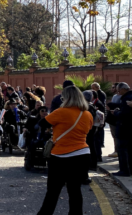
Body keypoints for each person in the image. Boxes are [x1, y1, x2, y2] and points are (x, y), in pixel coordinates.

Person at [36, 86, 93, 215]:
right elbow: (87, 131)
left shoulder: (61, 112)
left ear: (66, 98)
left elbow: (42, 123)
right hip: (83, 154)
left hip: (61, 155)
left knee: (53, 191)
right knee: (75, 190)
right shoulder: (87, 114)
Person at [111, 82, 132, 177]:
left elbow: (124, 115)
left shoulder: (127, 98)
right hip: (131, 127)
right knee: (131, 150)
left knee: (122, 149)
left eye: (119, 90)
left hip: (124, 127)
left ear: (123, 89)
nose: (118, 92)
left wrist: (116, 112)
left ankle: (124, 170)